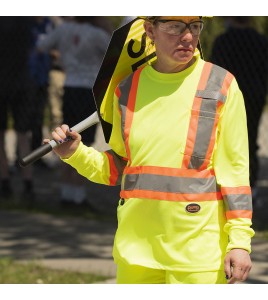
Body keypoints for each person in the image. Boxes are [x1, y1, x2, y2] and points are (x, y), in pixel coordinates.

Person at [44, 16, 254, 284]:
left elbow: (235, 172)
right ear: (149, 30)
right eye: (175, 27)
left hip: (197, 255)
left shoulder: (221, 85)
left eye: (194, 26)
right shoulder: (127, 89)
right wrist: (75, 153)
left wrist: (239, 242)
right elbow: (119, 169)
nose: (188, 36)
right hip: (136, 252)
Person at [37, 17, 110, 207]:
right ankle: (77, 195)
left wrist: (62, 55)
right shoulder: (98, 34)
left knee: (67, 139)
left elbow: (42, 45)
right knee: (84, 142)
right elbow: (115, 54)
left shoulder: (64, 29)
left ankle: (66, 193)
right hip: (90, 88)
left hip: (70, 86)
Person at [210, 17, 268, 199]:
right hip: (253, 97)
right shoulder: (261, 41)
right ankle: (249, 187)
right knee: (250, 139)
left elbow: (214, 71)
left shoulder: (223, 41)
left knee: (222, 138)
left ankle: (223, 184)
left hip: (226, 96)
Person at [0, 17, 35, 198]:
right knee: (23, 136)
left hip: (6, 81)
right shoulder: (25, 21)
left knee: (4, 135)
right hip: (22, 81)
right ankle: (27, 182)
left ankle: (5, 181)